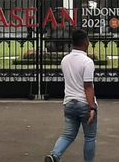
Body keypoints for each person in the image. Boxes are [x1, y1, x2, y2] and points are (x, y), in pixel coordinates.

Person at [45, 29, 98, 162]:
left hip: (69, 102)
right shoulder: (87, 62)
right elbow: (88, 86)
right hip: (84, 104)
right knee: (90, 137)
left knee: (68, 135)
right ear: (85, 42)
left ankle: (54, 155)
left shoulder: (65, 60)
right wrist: (92, 107)